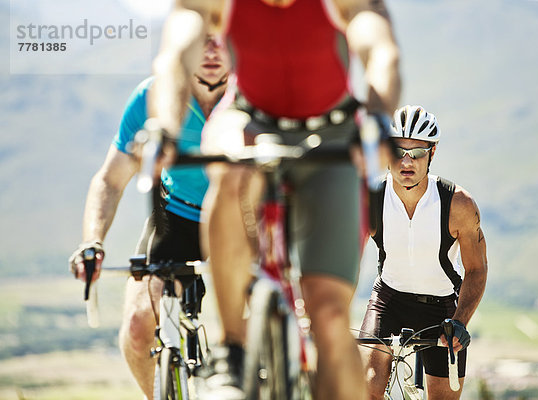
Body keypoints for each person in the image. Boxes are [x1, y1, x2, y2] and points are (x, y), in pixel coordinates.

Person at [148, 1, 402, 399]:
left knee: (331, 318)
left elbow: (381, 52)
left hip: (331, 136)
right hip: (249, 120)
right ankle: (230, 350)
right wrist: (163, 126)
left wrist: (379, 118)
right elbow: (174, 59)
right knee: (229, 165)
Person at [68, 37, 230, 400]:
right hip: (178, 215)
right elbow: (110, 180)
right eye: (201, 41)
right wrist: (93, 241)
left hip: (240, 216)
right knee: (140, 327)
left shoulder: (252, 95)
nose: (210, 52)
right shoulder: (152, 97)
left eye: (220, 41)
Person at [358, 105, 488, 399]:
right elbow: (349, 260)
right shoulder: (370, 200)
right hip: (387, 301)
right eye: (398, 151)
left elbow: (477, 269)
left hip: (441, 310)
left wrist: (460, 321)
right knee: (366, 390)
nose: (406, 161)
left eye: (416, 153)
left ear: (432, 154)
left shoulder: (458, 205)